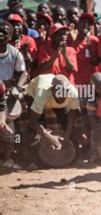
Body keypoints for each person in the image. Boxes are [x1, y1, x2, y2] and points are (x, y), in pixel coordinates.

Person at [26, 74, 80, 151]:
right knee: (36, 129)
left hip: (50, 98)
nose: (63, 95)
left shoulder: (72, 92)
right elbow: (33, 121)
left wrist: (67, 135)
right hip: (34, 94)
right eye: (60, 92)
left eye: (66, 91)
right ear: (53, 89)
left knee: (67, 124)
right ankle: (32, 155)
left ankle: (75, 154)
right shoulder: (42, 94)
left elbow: (72, 113)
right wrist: (50, 137)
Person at [0, 20, 27, 170]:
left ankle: (8, 160)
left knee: (10, 127)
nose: (0, 34)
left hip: (8, 92)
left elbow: (23, 74)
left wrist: (16, 93)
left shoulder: (15, 53)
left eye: (4, 32)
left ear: (10, 36)